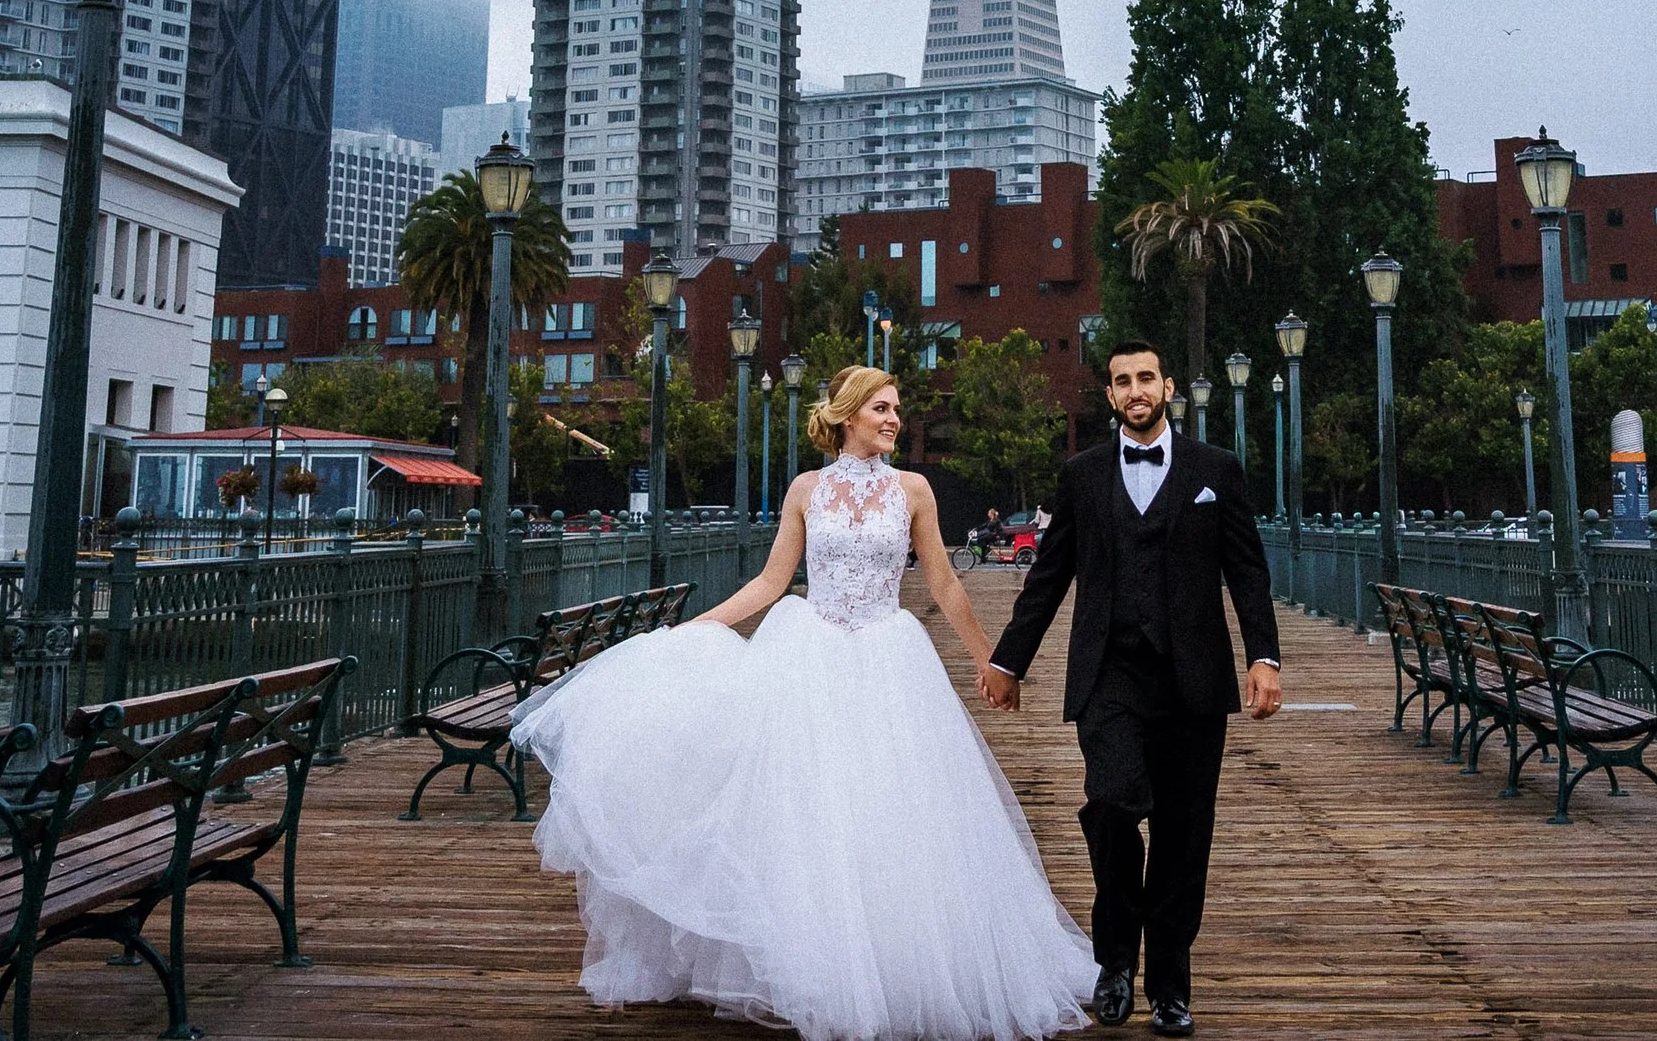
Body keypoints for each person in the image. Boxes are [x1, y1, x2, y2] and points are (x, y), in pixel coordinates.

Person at [511, 365, 1097, 1041]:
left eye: (897, 408)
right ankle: (818, 965)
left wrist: (992, 659)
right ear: (849, 415)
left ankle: (896, 963)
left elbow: (941, 582)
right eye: (882, 407)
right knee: (806, 815)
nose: (895, 418)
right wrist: (697, 627)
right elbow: (770, 581)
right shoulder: (805, 490)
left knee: (891, 813)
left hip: (887, 658)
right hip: (809, 653)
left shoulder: (914, 489)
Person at [983, 341, 1282, 1039]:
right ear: (1111, 393)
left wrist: (1264, 656)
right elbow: (1049, 575)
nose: (1136, 389)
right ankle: (1114, 959)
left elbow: (1248, 571)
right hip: (1110, 674)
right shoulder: (1082, 476)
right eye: (1123, 380)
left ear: (1167, 385)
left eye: (1146, 376)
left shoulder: (1217, 471)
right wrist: (1009, 659)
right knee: (1113, 805)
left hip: (1195, 681)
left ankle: (1170, 985)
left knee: (1184, 832)